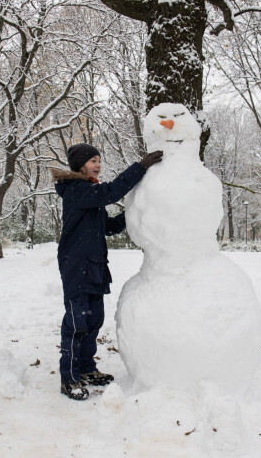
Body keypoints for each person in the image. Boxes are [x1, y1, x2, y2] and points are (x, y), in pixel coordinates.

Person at [51, 143, 163, 400]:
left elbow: (108, 226)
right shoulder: (77, 190)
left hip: (95, 266)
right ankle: (69, 377)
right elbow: (110, 192)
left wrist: (134, 212)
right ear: (80, 165)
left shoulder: (90, 192)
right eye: (92, 160)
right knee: (77, 322)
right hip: (77, 265)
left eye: (99, 159)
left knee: (93, 319)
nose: (98, 164)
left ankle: (87, 368)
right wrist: (141, 167)